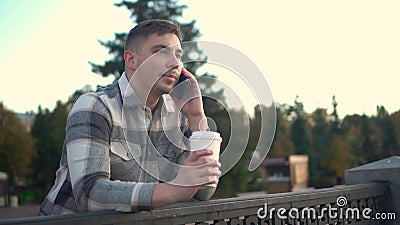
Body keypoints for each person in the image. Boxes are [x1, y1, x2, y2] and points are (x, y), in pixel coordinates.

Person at [39, 19, 221, 215]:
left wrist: (196, 116)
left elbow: (204, 190)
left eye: (178, 55)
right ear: (131, 60)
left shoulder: (179, 116)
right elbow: (89, 194)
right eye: (162, 52)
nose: (175, 62)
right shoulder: (96, 106)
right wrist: (172, 191)